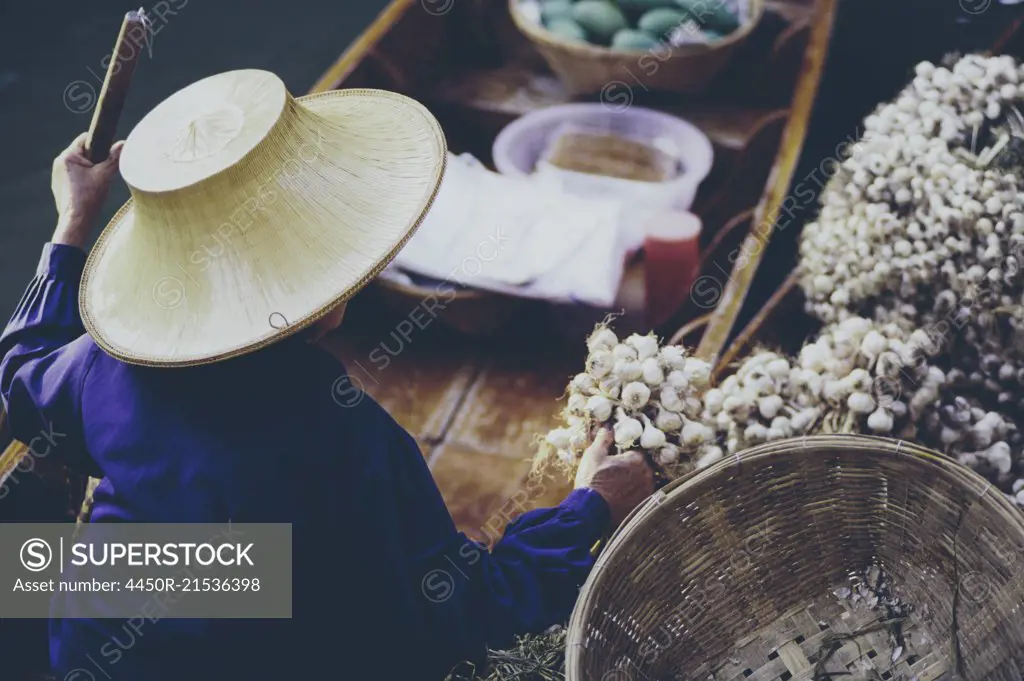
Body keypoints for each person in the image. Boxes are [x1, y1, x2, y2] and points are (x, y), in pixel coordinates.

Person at [0, 71, 655, 681]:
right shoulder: (345, 441)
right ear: (328, 288)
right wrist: (590, 504)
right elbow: (467, 615)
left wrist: (73, 221)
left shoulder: (101, 362)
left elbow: (21, 380)